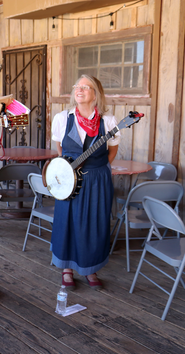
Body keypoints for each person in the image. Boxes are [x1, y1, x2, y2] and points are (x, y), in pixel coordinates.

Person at [50, 75, 120, 290]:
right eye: (76, 86)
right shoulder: (63, 118)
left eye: (85, 87)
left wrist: (96, 170)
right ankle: (67, 269)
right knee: (67, 221)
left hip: (98, 180)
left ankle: (90, 268)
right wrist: (69, 170)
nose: (79, 90)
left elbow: (112, 150)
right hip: (69, 180)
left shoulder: (108, 121)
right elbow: (59, 149)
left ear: (95, 94)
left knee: (94, 223)